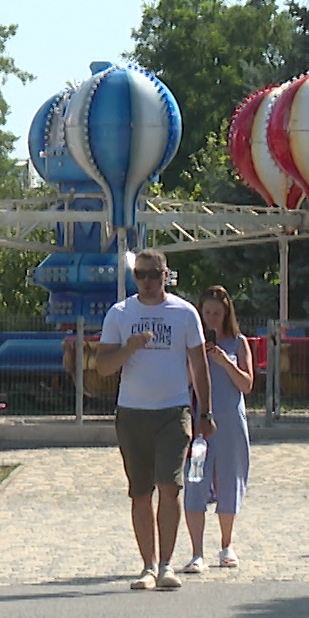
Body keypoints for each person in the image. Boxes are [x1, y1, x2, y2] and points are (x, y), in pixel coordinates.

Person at [95, 248, 214, 591]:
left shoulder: (184, 312)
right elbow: (103, 367)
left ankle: (166, 565)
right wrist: (128, 348)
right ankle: (146, 566)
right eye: (140, 275)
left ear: (166, 275)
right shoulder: (119, 313)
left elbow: (199, 366)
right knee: (141, 492)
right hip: (132, 413)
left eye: (153, 274)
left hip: (174, 411)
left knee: (170, 485)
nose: (146, 281)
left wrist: (205, 411)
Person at [182, 285, 252, 572]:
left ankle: (227, 544)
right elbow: (182, 382)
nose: (211, 318)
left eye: (216, 313)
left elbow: (247, 385)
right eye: (207, 313)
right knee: (195, 481)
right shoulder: (191, 344)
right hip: (199, 424)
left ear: (226, 314)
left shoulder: (238, 343)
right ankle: (197, 552)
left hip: (231, 424)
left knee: (228, 480)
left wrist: (224, 361)